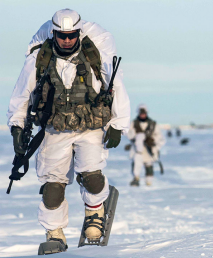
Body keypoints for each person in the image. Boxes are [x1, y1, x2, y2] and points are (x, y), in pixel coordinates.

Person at [7, 9, 130, 253]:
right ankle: (54, 233)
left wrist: (118, 124)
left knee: (92, 177)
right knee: (52, 187)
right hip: (53, 129)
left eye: (71, 35)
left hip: (90, 127)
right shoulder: (38, 61)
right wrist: (17, 128)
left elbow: (116, 86)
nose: (66, 40)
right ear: (53, 34)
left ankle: (95, 213)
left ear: (78, 32)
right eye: (62, 36)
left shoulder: (96, 57)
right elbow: (21, 96)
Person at [127, 104, 165, 186]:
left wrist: (153, 141)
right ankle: (136, 179)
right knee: (136, 165)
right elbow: (129, 134)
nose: (142, 115)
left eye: (144, 113)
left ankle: (149, 183)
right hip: (137, 149)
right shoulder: (134, 123)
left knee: (149, 166)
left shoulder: (153, 124)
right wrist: (135, 137)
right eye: (141, 113)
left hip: (149, 149)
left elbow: (159, 136)